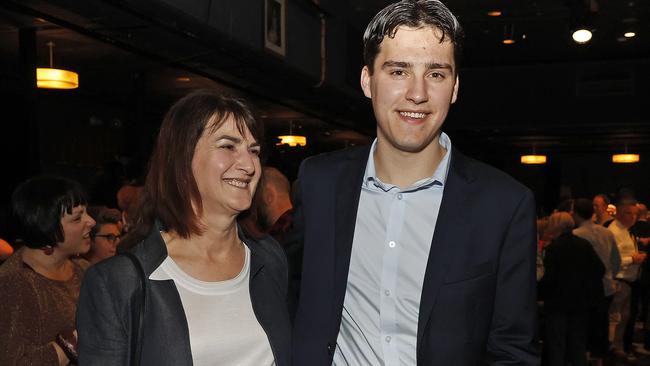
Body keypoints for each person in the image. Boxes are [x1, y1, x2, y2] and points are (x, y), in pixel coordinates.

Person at [291, 1, 539, 365]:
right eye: (398, 71)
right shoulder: (319, 183)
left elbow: (513, 352)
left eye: (436, 74)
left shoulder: (504, 206)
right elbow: (285, 292)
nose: (418, 93)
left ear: (454, 87)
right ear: (367, 80)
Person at [76, 90, 291, 365]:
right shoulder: (119, 282)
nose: (249, 164)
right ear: (182, 157)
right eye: (228, 146)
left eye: (254, 151)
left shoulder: (269, 259)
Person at [0, 176, 95, 365]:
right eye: (77, 218)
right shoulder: (14, 283)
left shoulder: (84, 269)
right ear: (47, 228)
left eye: (86, 213)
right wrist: (73, 342)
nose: (91, 221)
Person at [538, 212, 605, 366]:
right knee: (577, 344)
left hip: (558, 303)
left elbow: (549, 277)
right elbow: (599, 269)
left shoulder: (554, 248)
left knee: (557, 345)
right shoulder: (583, 244)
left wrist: (540, 294)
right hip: (580, 303)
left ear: (554, 226)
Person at [571, 199, 621, 366]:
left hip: (584, 288)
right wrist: (609, 275)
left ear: (576, 214)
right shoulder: (607, 233)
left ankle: (584, 357)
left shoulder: (576, 235)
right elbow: (616, 260)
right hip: (606, 286)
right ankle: (599, 359)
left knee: (584, 325)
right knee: (601, 324)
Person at [608, 199, 644, 360]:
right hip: (618, 281)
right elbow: (611, 260)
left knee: (624, 318)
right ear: (619, 213)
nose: (633, 217)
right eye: (629, 213)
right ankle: (610, 348)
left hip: (628, 281)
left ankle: (617, 347)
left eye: (635, 214)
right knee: (615, 318)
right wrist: (632, 259)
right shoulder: (614, 231)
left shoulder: (627, 230)